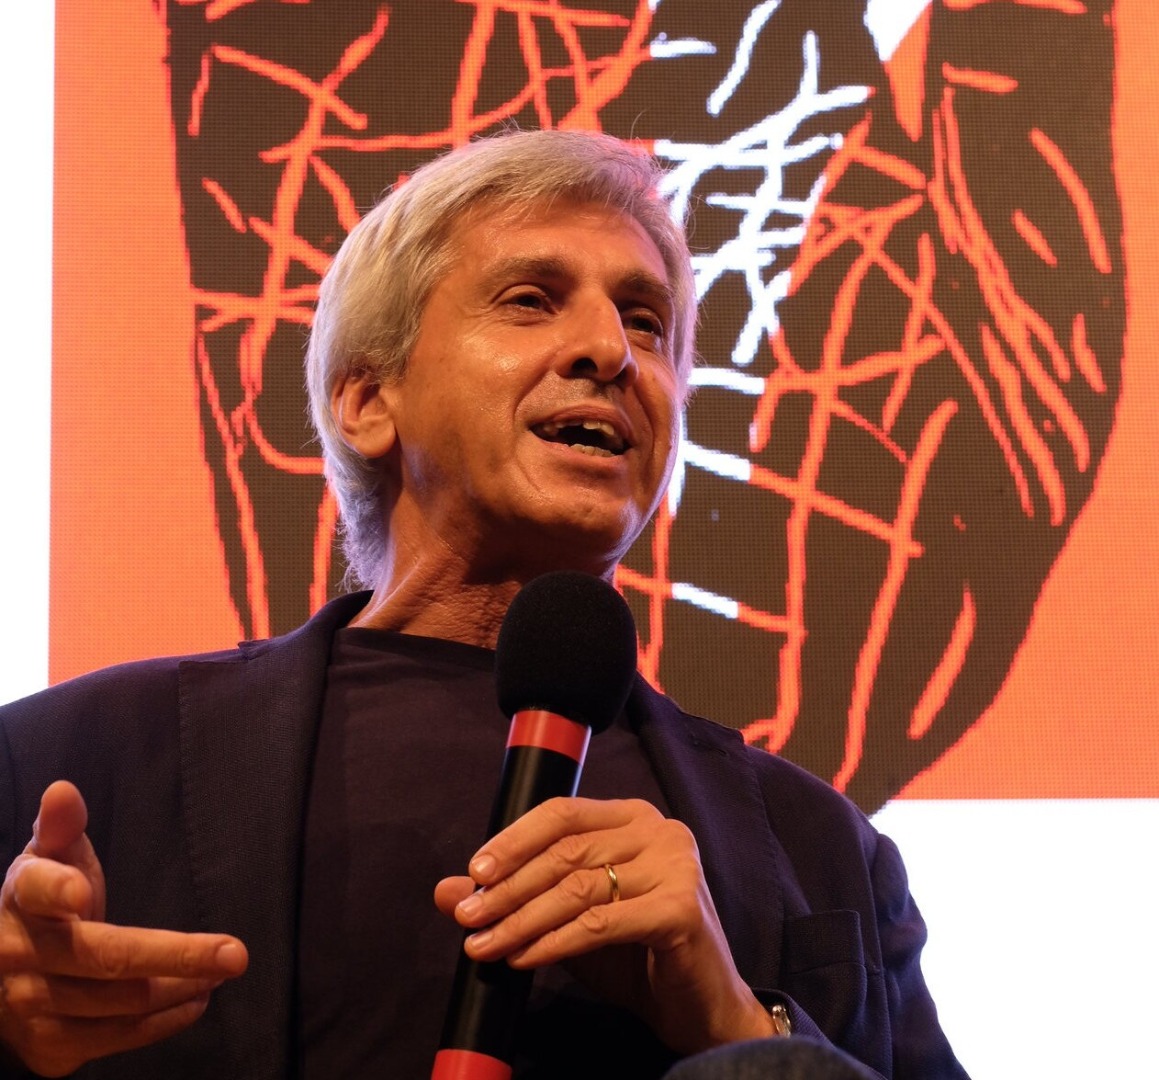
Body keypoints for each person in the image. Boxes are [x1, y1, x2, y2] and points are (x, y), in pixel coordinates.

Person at [0, 130, 968, 1079]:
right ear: (366, 399)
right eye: (530, 301)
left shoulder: (823, 851)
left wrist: (737, 1022)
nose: (609, 351)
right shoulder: (64, 764)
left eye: (644, 322)